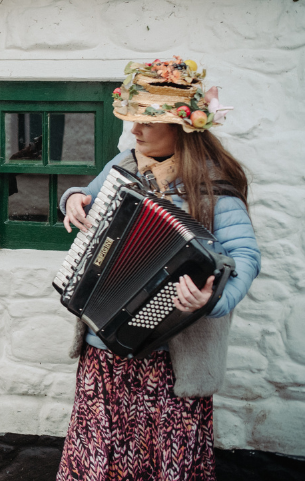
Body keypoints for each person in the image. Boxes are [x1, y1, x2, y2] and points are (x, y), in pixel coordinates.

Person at [56, 57, 261, 481]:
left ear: (181, 127)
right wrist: (73, 198)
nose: (135, 131)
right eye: (133, 120)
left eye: (147, 122)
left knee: (165, 459)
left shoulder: (214, 187)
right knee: (99, 452)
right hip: (104, 348)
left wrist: (213, 299)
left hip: (173, 358)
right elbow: (85, 197)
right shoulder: (123, 168)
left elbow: (245, 259)